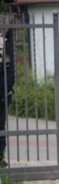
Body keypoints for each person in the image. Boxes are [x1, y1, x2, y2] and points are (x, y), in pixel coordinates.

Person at [0, 29, 15, 167]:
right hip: (2, 94)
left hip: (2, 95)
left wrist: (5, 92)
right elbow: (11, 74)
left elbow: (11, 74)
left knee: (1, 126)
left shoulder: (7, 46)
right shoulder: (6, 46)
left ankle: (0, 157)